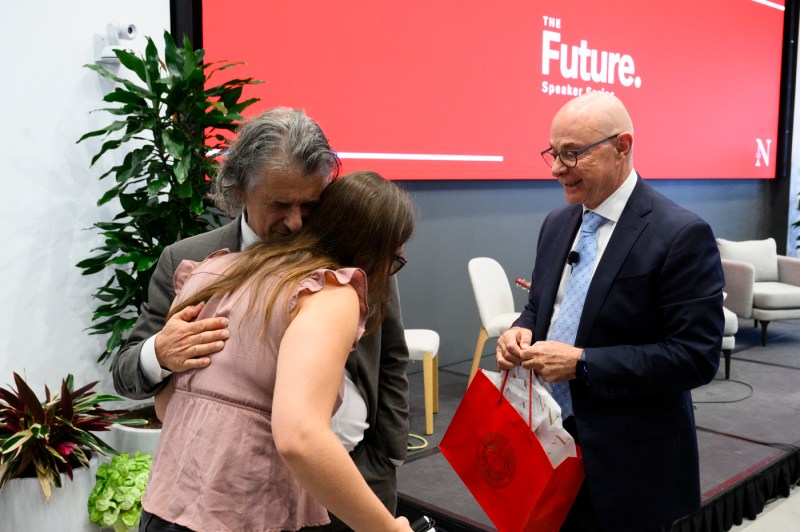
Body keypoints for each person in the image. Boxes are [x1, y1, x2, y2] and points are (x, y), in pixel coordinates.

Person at [111, 108, 411, 525]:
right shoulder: (194, 261)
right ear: (239, 191)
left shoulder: (356, 259)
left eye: (310, 204)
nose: (295, 221)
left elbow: (391, 360)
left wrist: (385, 458)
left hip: (353, 481)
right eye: (279, 204)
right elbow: (133, 377)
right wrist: (159, 352)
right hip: (231, 499)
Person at [496, 92, 724, 532]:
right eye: (552, 152)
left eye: (572, 154)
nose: (556, 168)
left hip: (629, 464)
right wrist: (519, 331)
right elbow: (539, 307)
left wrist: (583, 364)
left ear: (622, 146)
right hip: (544, 445)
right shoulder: (557, 223)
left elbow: (695, 356)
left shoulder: (680, 234)